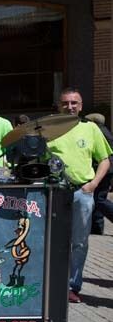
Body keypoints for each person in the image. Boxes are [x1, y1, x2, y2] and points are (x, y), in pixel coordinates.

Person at [47, 88, 112, 303]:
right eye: (65, 103)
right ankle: (51, 284)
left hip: (82, 192)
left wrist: (92, 185)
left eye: (74, 103)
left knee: (79, 242)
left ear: (81, 106)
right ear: (59, 105)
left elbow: (105, 160)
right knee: (52, 240)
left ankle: (72, 286)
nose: (70, 107)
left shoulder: (90, 128)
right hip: (55, 193)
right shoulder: (48, 129)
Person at [84, 113, 113, 235]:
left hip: (104, 169)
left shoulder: (99, 132)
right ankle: (96, 227)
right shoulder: (106, 131)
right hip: (107, 169)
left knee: (99, 199)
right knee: (97, 198)